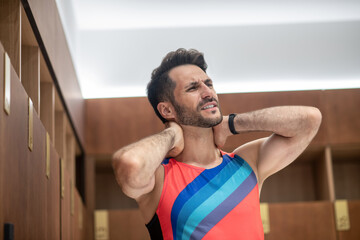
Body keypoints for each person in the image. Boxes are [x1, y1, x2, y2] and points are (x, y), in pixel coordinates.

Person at [112, 48, 322, 240]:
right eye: (193, 88)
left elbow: (310, 120)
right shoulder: (159, 177)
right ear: (167, 110)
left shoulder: (248, 163)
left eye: (209, 84)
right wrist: (172, 135)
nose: (207, 92)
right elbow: (130, 164)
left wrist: (232, 123)